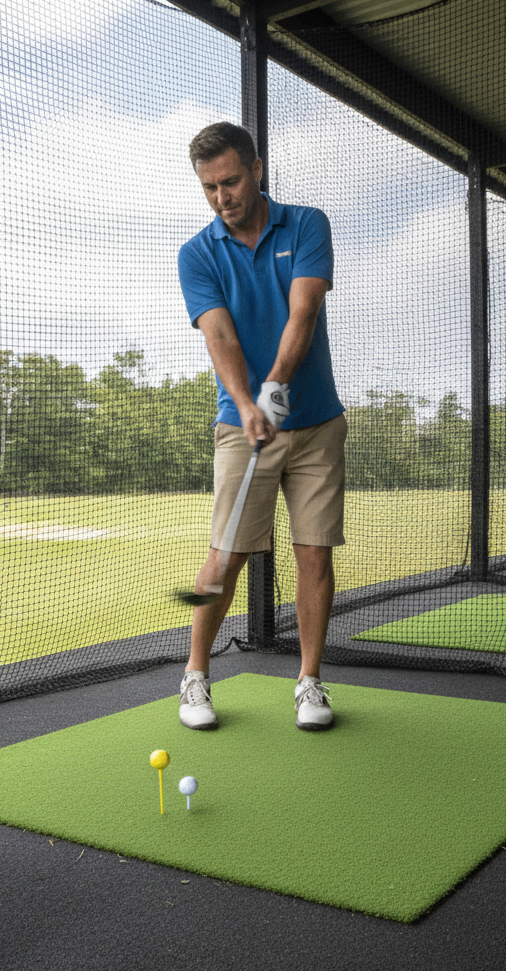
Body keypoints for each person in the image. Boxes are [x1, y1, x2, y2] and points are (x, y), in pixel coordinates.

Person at [175, 122, 346, 732]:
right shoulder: (197, 254)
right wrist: (248, 404)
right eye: (210, 188)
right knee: (226, 557)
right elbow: (219, 335)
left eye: (231, 181)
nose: (222, 197)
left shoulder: (306, 225)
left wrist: (274, 386)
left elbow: (304, 310)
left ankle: (309, 682)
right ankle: (195, 675)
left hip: (316, 423)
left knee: (313, 552)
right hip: (241, 426)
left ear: (257, 169)